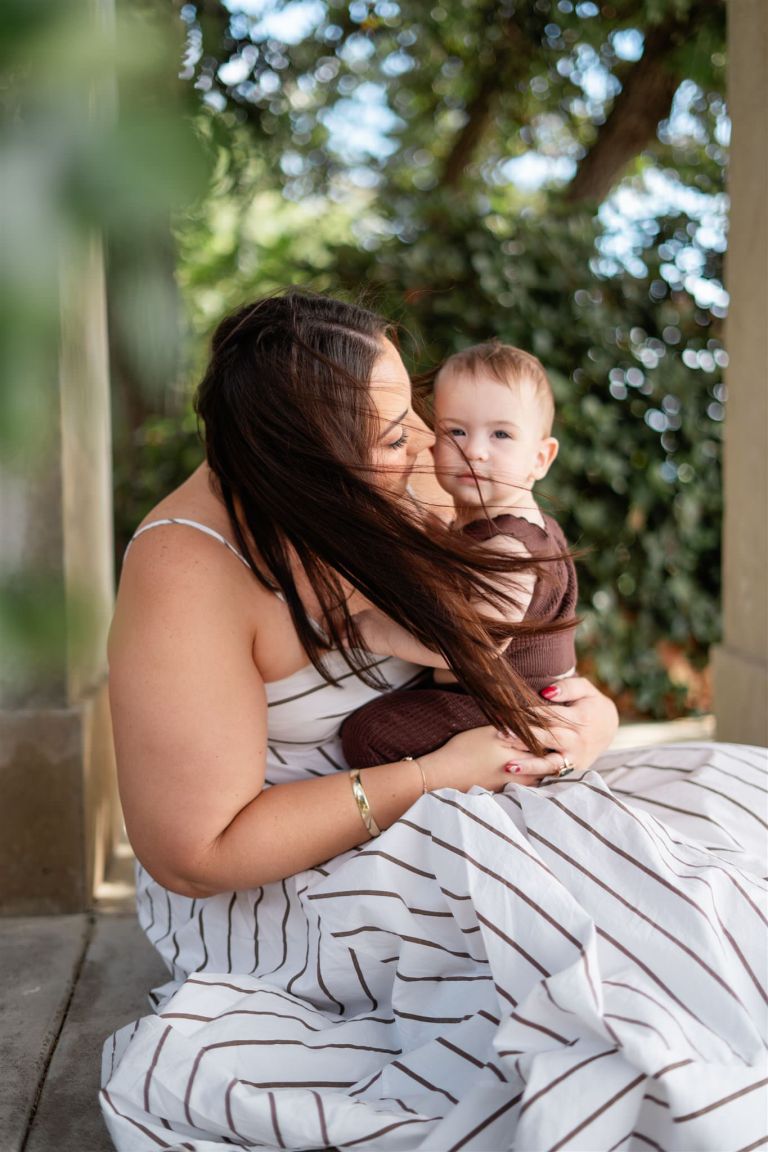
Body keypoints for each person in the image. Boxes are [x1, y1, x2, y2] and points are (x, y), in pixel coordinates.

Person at [101, 290, 768, 1152]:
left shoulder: (403, 469)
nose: (426, 442)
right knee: (607, 965)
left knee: (723, 848)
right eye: (394, 435)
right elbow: (199, 855)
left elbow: (516, 634)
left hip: (472, 774)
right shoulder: (187, 569)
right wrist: (433, 776)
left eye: (411, 408)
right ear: (305, 461)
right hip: (297, 873)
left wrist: (586, 719)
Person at [340, 340, 580, 770]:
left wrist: (379, 633)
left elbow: (476, 647)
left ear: (540, 458)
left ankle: (482, 780)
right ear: (433, 443)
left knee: (369, 734)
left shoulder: (510, 545)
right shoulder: (482, 525)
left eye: (501, 434)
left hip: (514, 705)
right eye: (456, 432)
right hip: (486, 696)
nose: (474, 450)